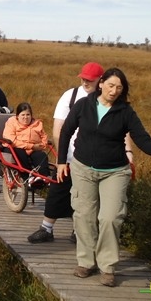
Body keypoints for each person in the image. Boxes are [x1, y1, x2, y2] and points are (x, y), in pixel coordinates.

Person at [56, 67, 151, 287]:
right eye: (111, 85)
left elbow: (143, 139)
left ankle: (108, 266)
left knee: (111, 218)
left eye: (119, 87)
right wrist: (61, 162)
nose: (114, 91)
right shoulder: (83, 105)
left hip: (115, 171)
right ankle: (86, 261)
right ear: (101, 83)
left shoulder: (125, 112)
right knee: (84, 216)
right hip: (83, 168)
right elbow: (66, 131)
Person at [27, 62, 104, 244]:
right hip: (70, 156)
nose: (85, 82)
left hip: (96, 159)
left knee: (88, 197)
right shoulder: (71, 96)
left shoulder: (106, 99)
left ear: (100, 80)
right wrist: (62, 156)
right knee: (58, 190)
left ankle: (78, 231)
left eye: (89, 80)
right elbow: (58, 128)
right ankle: (46, 228)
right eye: (83, 78)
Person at [3, 102, 50, 184]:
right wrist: (31, 146)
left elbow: (44, 137)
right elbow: (11, 139)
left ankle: (43, 178)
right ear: (17, 116)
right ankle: (28, 177)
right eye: (23, 115)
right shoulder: (11, 122)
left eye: (28, 115)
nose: (26, 117)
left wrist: (42, 145)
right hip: (15, 147)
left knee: (42, 155)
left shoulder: (37, 124)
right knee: (20, 153)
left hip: (33, 149)